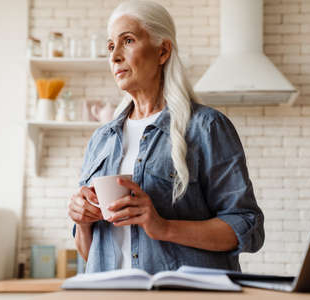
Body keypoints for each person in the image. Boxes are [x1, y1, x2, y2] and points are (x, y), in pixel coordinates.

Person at [68, 0, 264, 275]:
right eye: (111, 46)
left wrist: (164, 227)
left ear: (162, 51)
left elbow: (247, 227)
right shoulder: (102, 139)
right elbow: (91, 253)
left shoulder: (206, 127)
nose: (114, 56)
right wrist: (83, 221)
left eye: (128, 41)